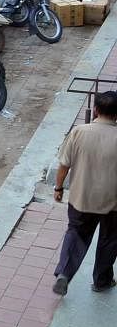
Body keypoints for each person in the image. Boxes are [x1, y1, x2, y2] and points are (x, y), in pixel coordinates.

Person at [50, 90, 117, 295]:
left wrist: (59, 188)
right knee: (109, 239)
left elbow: (64, 165)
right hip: (112, 202)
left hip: (81, 198)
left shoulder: (79, 132)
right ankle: (102, 281)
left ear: (95, 110)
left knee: (76, 233)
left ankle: (64, 274)